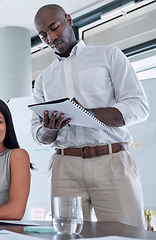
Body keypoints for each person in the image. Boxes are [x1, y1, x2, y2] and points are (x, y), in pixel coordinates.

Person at [31, 4, 149, 228]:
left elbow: (138, 106)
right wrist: (49, 129)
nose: (50, 38)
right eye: (43, 34)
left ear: (68, 20)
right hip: (64, 166)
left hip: (111, 162)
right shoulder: (44, 79)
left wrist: (87, 113)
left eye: (54, 27)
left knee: (126, 234)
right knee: (66, 233)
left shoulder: (108, 55)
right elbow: (38, 134)